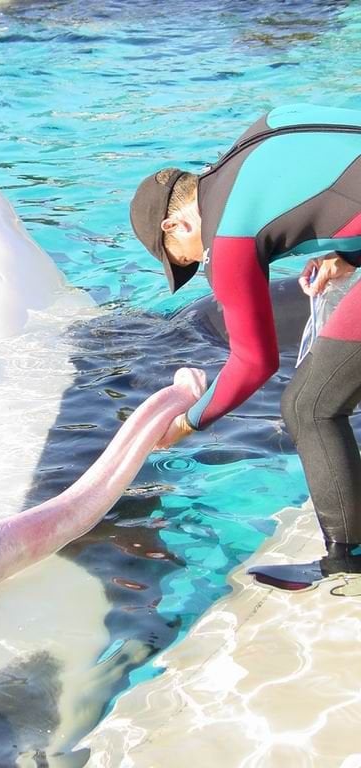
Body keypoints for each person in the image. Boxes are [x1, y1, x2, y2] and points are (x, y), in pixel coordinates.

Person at [130, 103, 361, 591]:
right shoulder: (262, 131)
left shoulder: (226, 238)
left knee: (309, 406)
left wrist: (187, 423)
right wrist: (348, 253)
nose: (198, 263)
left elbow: (255, 362)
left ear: (175, 227)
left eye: (183, 260)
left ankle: (349, 563)